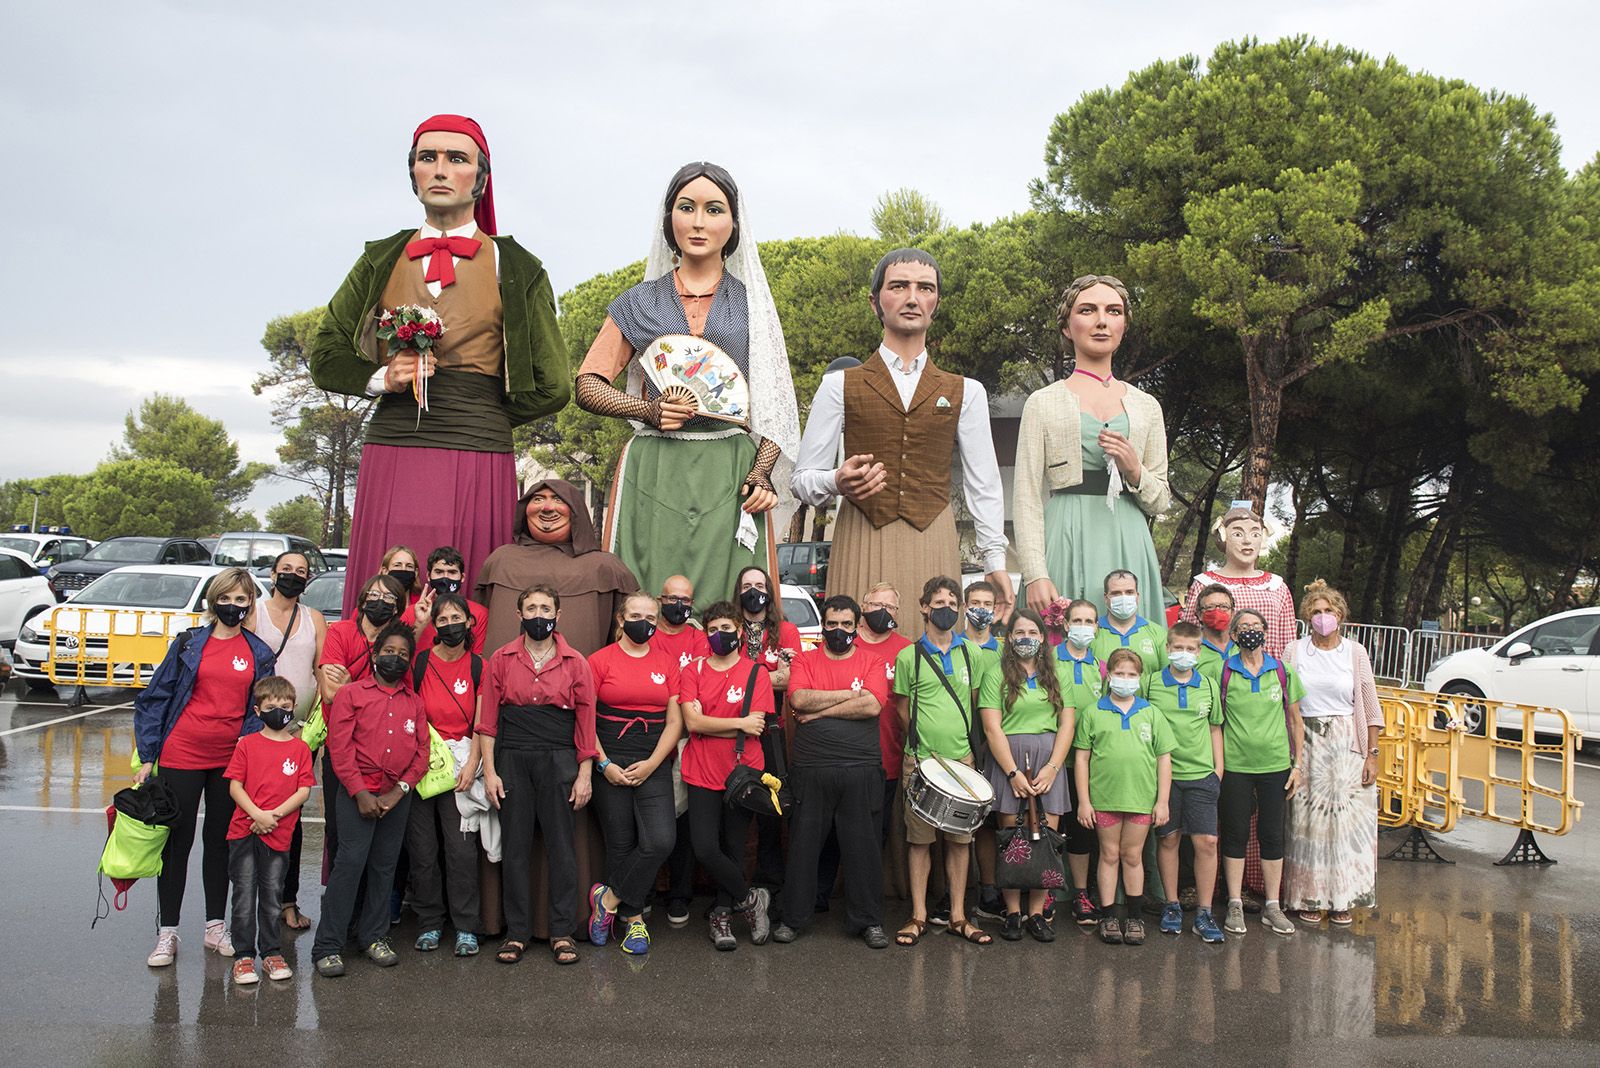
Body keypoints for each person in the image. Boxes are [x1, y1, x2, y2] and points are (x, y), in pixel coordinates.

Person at [309, 114, 569, 616]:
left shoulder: (517, 266)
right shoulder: (378, 258)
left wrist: (484, 412)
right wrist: (383, 377)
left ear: (482, 178)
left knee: (465, 597)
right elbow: (326, 354)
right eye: (428, 158)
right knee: (384, 590)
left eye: (457, 158)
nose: (441, 169)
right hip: (393, 443)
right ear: (413, 175)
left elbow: (553, 384)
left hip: (478, 449)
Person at [575, 161, 799, 599]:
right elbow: (588, 385)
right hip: (654, 467)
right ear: (668, 219)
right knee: (648, 591)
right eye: (686, 207)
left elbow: (773, 404)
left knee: (732, 597)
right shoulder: (639, 301)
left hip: (730, 470)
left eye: (714, 209)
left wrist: (761, 472)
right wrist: (646, 410)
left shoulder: (754, 306)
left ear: (733, 225)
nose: (698, 222)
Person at [792, 248, 1014, 618]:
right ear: (875, 301)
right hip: (860, 536)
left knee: (934, 654)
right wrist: (836, 480)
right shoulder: (838, 386)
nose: (912, 298)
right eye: (898, 286)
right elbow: (801, 481)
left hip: (934, 537)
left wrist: (994, 559)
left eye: (925, 288)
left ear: (936, 302)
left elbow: (985, 484)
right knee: (857, 654)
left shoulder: (967, 390)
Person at [134, 568, 278, 968]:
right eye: (226, 598)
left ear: (250, 603)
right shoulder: (187, 644)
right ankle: (168, 934)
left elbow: (259, 710)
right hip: (182, 753)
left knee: (220, 844)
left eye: (241, 599)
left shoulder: (259, 652)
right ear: (212, 601)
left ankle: (216, 928)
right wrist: (149, 756)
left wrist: (252, 758)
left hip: (229, 760)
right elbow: (154, 698)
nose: (233, 606)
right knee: (177, 844)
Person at [1014, 275, 1170, 619]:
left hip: (1129, 538)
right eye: (1088, 310)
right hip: (1063, 537)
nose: (1101, 320)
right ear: (1067, 327)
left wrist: (1134, 469)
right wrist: (1035, 573)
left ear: (1124, 326)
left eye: (1113, 311)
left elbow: (1161, 498)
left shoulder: (1147, 406)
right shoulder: (1042, 403)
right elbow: (1026, 495)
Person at [477, 584, 597, 966]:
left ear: (558, 616)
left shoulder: (576, 662)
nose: (539, 614)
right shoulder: (500, 659)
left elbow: (586, 723)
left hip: (560, 760)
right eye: (531, 607)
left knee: (562, 847)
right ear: (519, 615)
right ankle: (516, 933)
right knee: (515, 848)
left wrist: (585, 774)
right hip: (512, 759)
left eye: (546, 607)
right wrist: (491, 772)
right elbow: (488, 723)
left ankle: (562, 931)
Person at [314, 622, 430, 977]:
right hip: (357, 795)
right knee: (349, 864)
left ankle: (374, 935)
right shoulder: (351, 694)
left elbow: (422, 753)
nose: (395, 658)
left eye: (403, 655)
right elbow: (340, 747)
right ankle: (328, 945)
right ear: (376, 653)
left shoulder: (415, 703)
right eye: (389, 652)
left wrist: (399, 791)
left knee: (384, 866)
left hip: (397, 797)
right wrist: (360, 792)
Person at [774, 595, 890, 949]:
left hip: (861, 770)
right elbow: (798, 700)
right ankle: (793, 918)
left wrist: (822, 710)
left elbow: (872, 704)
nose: (838, 630)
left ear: (857, 627)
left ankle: (868, 921)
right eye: (832, 624)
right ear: (823, 626)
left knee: (863, 849)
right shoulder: (806, 660)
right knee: (803, 847)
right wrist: (848, 694)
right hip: (812, 770)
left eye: (846, 625)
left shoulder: (873, 660)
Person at [892, 576, 992, 947]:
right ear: (923, 607)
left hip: (962, 762)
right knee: (919, 841)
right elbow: (902, 707)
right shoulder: (908, 656)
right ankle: (918, 915)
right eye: (938, 601)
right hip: (920, 763)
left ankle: (958, 916)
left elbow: (975, 702)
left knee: (960, 841)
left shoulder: (973, 654)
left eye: (953, 601)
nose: (946, 608)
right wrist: (924, 744)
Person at [1281, 581, 1384, 926]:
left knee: (1346, 824)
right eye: (1316, 611)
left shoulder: (1355, 653)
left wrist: (1372, 753)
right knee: (1306, 821)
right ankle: (1306, 895)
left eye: (1329, 611)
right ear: (1307, 616)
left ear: (1340, 615)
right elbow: (1283, 701)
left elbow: (1370, 706)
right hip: (1305, 742)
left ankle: (1343, 899)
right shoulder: (1294, 651)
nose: (1323, 617)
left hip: (1347, 744)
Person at [586, 593, 683, 955]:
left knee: (659, 840)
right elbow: (585, 720)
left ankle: (607, 899)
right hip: (609, 758)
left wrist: (654, 763)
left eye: (650, 616)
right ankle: (634, 920)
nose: (644, 622)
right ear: (621, 620)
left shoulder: (668, 662)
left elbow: (675, 721)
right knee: (621, 843)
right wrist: (604, 764)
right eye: (636, 615)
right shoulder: (599, 661)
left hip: (652, 759)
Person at [678, 600, 775, 950]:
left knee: (735, 846)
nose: (721, 635)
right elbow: (692, 723)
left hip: (742, 773)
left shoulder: (756, 673)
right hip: (701, 770)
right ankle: (751, 900)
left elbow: (757, 726)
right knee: (705, 846)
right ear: (706, 633)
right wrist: (736, 722)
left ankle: (722, 915)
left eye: (727, 629)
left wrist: (709, 724)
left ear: (739, 630)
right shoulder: (693, 672)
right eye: (714, 629)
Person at [979, 609, 1076, 943]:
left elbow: (1067, 723)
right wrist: (1012, 772)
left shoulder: (1057, 672)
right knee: (1012, 840)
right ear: (1009, 638)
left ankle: (1036, 913)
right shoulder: (997, 674)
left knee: (1045, 839)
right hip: (1009, 762)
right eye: (1019, 632)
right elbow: (991, 727)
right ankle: (1013, 912)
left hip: (1049, 763)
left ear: (1042, 637)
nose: (1026, 638)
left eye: (1033, 632)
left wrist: (1052, 767)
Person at [246, 550, 327, 935]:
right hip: (254, 734)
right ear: (273, 574)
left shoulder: (314, 619)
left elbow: (322, 672)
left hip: (297, 737)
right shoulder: (254, 612)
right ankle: (249, 902)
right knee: (250, 817)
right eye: (287, 570)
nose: (293, 576)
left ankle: (287, 900)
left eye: (301, 571)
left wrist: (316, 724)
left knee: (290, 821)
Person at [1074, 648, 1174, 946]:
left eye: (1131, 675)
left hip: (1141, 800)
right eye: (1119, 673)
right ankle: (1107, 916)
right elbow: (1081, 759)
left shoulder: (1151, 713)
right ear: (1109, 675)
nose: (1125, 679)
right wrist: (1084, 801)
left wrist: (1162, 800)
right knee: (1109, 855)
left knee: (1132, 856)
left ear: (1140, 678)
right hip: (1104, 799)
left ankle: (1134, 916)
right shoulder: (1093, 712)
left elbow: (1164, 758)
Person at [1218, 609, 1307, 939]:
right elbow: (1216, 722)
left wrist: (1297, 765)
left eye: (1256, 626)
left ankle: (1272, 905)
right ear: (1234, 635)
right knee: (1235, 834)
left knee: (1272, 835)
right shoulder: (1224, 671)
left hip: (1276, 767)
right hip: (1236, 767)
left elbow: (1296, 721)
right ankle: (1234, 902)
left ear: (1266, 631)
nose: (1250, 631)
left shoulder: (1282, 671)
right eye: (1243, 627)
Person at [476, 479, 639, 656]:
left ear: (576, 510)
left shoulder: (605, 567)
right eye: (538, 499)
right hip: (504, 679)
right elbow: (477, 627)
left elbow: (628, 637)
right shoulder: (501, 560)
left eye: (558, 499)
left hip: (580, 680)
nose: (547, 507)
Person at [404, 592, 484, 957]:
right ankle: (429, 923)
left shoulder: (480, 666)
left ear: (470, 622)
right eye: (443, 620)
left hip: (462, 769)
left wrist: (471, 766)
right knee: (422, 851)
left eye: (457, 618)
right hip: (422, 768)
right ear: (434, 627)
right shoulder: (419, 663)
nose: (450, 625)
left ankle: (466, 926)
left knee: (461, 851)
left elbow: (484, 724)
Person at [223, 677, 316, 985]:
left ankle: (272, 952)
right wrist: (257, 814)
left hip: (278, 832)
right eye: (271, 707)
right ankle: (244, 956)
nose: (280, 711)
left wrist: (272, 816)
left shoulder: (300, 748)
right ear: (257, 710)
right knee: (244, 895)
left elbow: (304, 790)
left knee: (273, 896)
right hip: (245, 831)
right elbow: (235, 786)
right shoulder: (246, 744)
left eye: (286, 707)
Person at [1142, 622, 1225, 943]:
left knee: (1207, 843)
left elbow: (1215, 727)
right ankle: (1172, 904)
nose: (1184, 654)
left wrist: (1218, 770)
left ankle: (1204, 912)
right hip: (1164, 778)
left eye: (1191, 649)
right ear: (1167, 649)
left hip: (1202, 776)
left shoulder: (1207, 685)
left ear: (1200, 651)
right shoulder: (1150, 684)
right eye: (1178, 647)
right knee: (1168, 840)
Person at [735, 564, 801, 891]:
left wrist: (747, 678)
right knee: (734, 807)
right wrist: (769, 676)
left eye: (759, 584)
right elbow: (719, 678)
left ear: (769, 591)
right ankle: (732, 887)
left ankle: (770, 886)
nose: (754, 590)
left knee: (772, 809)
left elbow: (792, 679)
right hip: (732, 728)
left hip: (772, 729)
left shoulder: (786, 630)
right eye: (747, 585)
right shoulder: (728, 627)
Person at [653, 574, 710, 928]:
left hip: (689, 739)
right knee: (651, 821)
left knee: (686, 821)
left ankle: (679, 895)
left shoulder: (700, 639)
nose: (679, 606)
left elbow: (703, 684)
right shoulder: (647, 633)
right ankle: (641, 893)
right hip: (650, 738)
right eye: (673, 598)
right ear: (661, 600)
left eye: (686, 600)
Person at [1184, 505, 1297, 658]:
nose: (1247, 541)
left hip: (1269, 673)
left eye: (1255, 534)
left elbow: (1288, 642)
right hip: (1217, 671)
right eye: (1238, 534)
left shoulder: (1277, 586)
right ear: (1223, 536)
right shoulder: (1204, 584)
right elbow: (1189, 636)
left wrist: (1285, 674)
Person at [1052, 599, 1103, 925]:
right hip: (1054, 760)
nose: (1083, 626)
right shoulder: (1049, 660)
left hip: (1089, 764)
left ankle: (1081, 893)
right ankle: (1046, 894)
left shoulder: (1102, 667)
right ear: (1066, 625)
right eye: (1078, 620)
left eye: (1090, 621)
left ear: (1097, 627)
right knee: (1049, 830)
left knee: (1082, 833)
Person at [403, 545, 490, 654]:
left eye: (452, 572)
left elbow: (479, 660)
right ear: (429, 576)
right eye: (439, 572)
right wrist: (419, 623)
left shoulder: (480, 614)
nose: (445, 578)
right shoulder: (412, 612)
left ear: (462, 577)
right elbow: (402, 653)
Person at [1091, 569, 1169, 671]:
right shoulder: (1091, 633)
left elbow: (1169, 675)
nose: (1123, 597)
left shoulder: (1158, 634)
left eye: (1129, 592)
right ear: (1106, 598)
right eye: (1116, 593)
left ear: (1137, 596)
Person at [1192, 583, 1237, 680]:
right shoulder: (1189, 648)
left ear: (1232, 613)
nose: (1217, 612)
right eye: (1210, 607)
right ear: (1199, 614)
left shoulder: (1243, 646)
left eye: (1224, 607)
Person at [379, 546, 423, 611]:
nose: (403, 569)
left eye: (409, 566)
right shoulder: (373, 604)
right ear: (385, 571)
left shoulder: (424, 606)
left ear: (416, 572)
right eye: (397, 565)